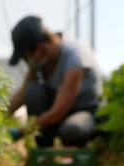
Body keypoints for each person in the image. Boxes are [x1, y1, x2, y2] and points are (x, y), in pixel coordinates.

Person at [7, 15, 103, 148]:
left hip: (83, 111)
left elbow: (57, 113)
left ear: (39, 48)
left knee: (72, 130)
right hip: (56, 113)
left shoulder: (75, 57)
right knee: (33, 91)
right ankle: (43, 149)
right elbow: (23, 93)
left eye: (25, 57)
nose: (27, 61)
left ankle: (78, 153)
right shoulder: (41, 62)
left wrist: (20, 132)